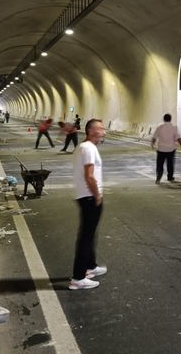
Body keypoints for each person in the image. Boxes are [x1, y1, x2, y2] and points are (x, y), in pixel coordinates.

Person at [69, 119, 107, 290]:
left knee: (90, 234)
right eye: (101, 129)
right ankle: (78, 278)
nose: (104, 132)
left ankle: (90, 267)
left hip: (85, 196)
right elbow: (89, 176)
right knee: (86, 237)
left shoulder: (83, 147)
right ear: (91, 131)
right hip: (90, 197)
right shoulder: (89, 148)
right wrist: (97, 195)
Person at [151, 113, 181, 185]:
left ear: (164, 119)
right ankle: (170, 177)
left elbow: (154, 137)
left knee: (160, 164)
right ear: (170, 119)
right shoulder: (174, 127)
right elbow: (178, 137)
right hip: (171, 150)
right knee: (170, 164)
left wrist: (153, 144)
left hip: (161, 150)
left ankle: (158, 178)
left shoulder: (160, 126)